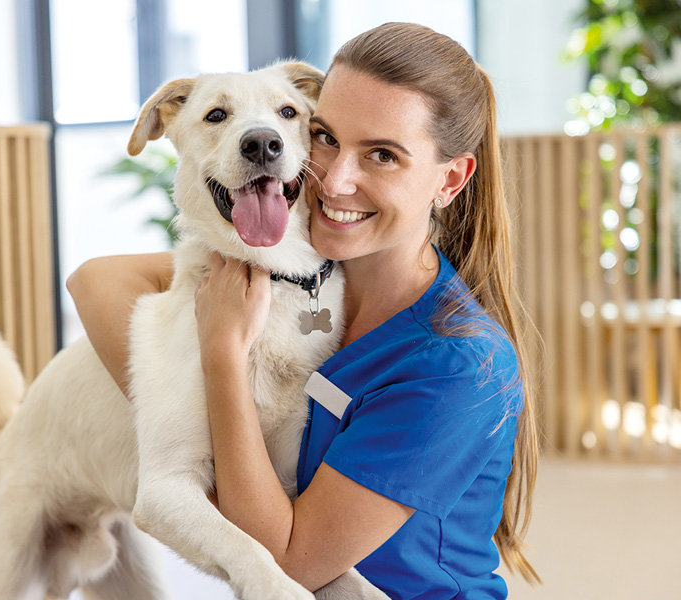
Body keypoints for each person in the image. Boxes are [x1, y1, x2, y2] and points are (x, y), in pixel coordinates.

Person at [67, 22, 541, 599]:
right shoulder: (297, 274)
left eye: (383, 156)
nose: (336, 179)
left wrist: (220, 357)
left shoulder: (457, 365)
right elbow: (96, 278)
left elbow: (288, 563)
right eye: (326, 136)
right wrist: (171, 410)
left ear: (450, 179)